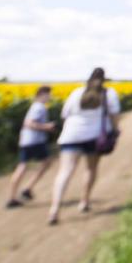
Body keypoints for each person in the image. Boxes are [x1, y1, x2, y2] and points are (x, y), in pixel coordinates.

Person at [47, 67, 120, 225]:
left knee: (64, 172)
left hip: (71, 136)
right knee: (91, 168)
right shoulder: (109, 94)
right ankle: (84, 201)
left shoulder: (76, 93)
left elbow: (64, 114)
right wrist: (115, 131)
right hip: (95, 138)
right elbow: (114, 115)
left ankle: (54, 209)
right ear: (104, 79)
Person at [6, 85, 56, 208]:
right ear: (42, 94)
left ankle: (24, 190)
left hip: (29, 141)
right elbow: (29, 123)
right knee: (24, 167)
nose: (50, 97)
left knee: (44, 163)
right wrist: (47, 127)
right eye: (48, 94)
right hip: (34, 141)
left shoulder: (36, 106)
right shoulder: (39, 107)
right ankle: (16, 195)